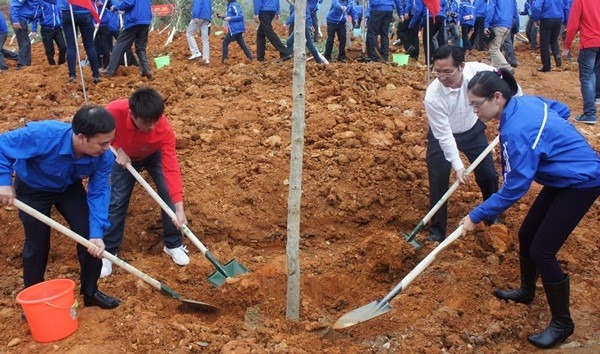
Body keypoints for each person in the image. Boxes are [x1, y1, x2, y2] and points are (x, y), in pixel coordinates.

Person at [460, 70, 600, 349]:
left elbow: (514, 187)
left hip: (581, 182)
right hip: (561, 179)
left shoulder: (516, 131)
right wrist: (549, 136)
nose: (474, 111)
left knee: (543, 250)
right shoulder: (523, 104)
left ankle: (562, 322)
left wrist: (475, 216)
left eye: (477, 104)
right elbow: (560, 109)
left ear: (497, 97)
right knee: (527, 235)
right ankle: (526, 290)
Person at [0, 106, 121, 309]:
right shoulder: (43, 135)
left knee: (88, 237)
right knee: (37, 244)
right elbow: (2, 145)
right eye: (103, 143)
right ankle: (32, 301)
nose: (108, 147)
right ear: (82, 138)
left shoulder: (104, 157)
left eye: (110, 141)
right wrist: (4, 182)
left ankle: (91, 292)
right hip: (33, 189)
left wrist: (97, 232)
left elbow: (99, 192)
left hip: (68, 188)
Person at [101, 87, 189, 278]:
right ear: (132, 114)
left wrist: (179, 207)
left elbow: (171, 167)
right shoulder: (114, 110)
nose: (151, 127)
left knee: (167, 193)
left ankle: (173, 244)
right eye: (146, 123)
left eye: (155, 122)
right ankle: (108, 252)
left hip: (153, 153)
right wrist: (116, 147)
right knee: (117, 200)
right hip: (123, 158)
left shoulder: (164, 129)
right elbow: (99, 131)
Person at [423, 45, 508, 242]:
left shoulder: (479, 73)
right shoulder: (433, 95)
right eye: (437, 71)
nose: (442, 77)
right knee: (438, 177)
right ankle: (437, 230)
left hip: (472, 129)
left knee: (488, 174)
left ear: (461, 66)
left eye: (447, 72)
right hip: (442, 134)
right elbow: (444, 135)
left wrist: (517, 105)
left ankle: (490, 214)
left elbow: (506, 82)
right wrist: (459, 167)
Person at [562, 0, 599, 125]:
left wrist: (567, 46)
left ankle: (590, 113)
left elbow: (573, 25)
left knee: (587, 77)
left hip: (589, 42)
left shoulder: (580, 1)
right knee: (596, 70)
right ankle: (597, 97)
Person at [99, 0, 153, 79]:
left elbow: (129, 2)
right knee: (140, 47)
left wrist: (116, 7)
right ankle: (145, 69)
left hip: (134, 19)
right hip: (145, 19)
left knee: (120, 45)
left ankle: (109, 71)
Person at [57, 0, 101, 83]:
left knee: (71, 45)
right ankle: (96, 75)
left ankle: (72, 75)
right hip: (84, 12)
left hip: (67, 12)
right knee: (89, 45)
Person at [9, 0, 52, 69]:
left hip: (23, 19)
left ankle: (23, 64)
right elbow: (14, 4)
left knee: (23, 42)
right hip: (19, 18)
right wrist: (15, 20)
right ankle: (23, 65)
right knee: (25, 42)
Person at [531, 0, 567, 72]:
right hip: (558, 19)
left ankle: (546, 66)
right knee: (554, 40)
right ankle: (557, 55)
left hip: (546, 18)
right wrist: (565, 21)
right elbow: (565, 7)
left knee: (544, 44)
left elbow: (536, 7)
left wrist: (536, 18)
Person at [31, 1, 66, 66]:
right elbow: (35, 17)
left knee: (63, 47)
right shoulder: (42, 3)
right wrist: (34, 30)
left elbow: (61, 15)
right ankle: (52, 65)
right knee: (49, 50)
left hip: (58, 29)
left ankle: (61, 64)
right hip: (46, 29)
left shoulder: (58, 3)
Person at [484, 0, 514, 73]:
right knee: (498, 48)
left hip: (498, 24)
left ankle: (506, 67)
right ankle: (494, 69)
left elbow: (490, 9)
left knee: (494, 49)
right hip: (508, 25)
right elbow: (514, 12)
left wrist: (486, 24)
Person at [186, 0, 212, 64]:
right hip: (207, 18)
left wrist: (195, 16)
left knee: (189, 34)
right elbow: (210, 7)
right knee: (205, 39)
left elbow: (197, 5)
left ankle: (196, 52)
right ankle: (206, 59)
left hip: (199, 17)